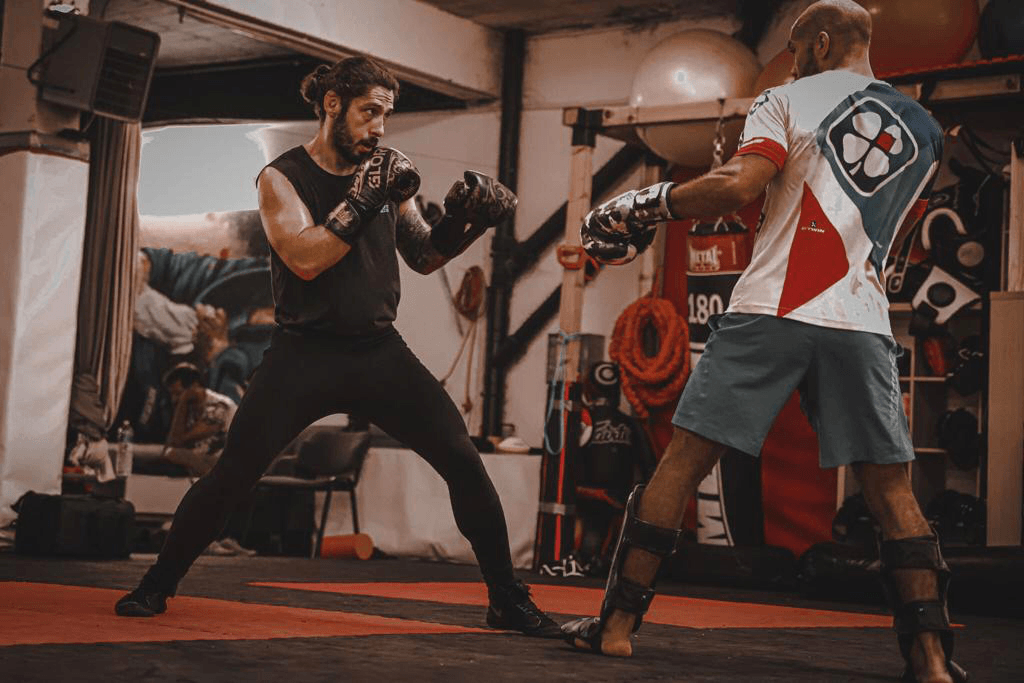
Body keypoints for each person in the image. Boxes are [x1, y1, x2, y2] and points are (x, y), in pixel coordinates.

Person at [562, 2, 965, 681]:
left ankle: (616, 627)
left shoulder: (787, 98)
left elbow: (737, 186)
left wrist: (645, 203)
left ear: (824, 41)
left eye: (799, 47)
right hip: (862, 321)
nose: (794, 58)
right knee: (892, 489)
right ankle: (930, 658)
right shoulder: (924, 128)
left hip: (772, 307)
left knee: (682, 464)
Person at [116, 55, 561, 638]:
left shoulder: (384, 171)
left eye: (386, 114)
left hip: (379, 353)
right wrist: (365, 196)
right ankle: (156, 586)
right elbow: (303, 258)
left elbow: (424, 256)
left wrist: (466, 221)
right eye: (369, 111)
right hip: (303, 357)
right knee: (232, 476)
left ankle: (507, 597)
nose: (379, 127)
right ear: (333, 105)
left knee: (463, 461)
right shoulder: (281, 177)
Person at [161, 362, 237, 478]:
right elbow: (172, 443)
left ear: (194, 387)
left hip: (224, 461)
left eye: (177, 393)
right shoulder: (191, 407)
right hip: (201, 459)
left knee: (172, 454)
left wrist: (182, 403)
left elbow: (178, 441)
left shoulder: (219, 406)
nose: (174, 399)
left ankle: (214, 479)